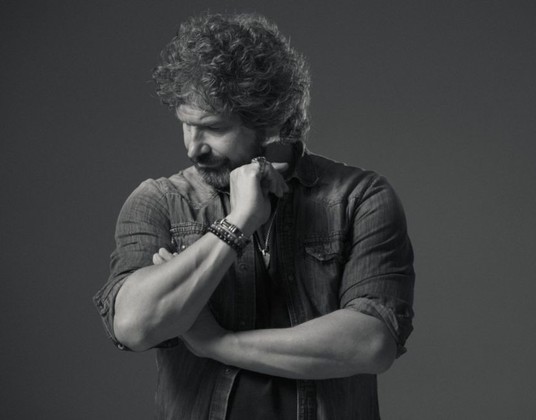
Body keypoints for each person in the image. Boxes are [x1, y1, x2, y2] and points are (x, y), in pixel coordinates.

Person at [94, 12, 414, 420]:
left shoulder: (359, 198)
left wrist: (216, 343)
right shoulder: (160, 201)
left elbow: (371, 344)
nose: (193, 148)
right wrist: (237, 223)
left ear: (270, 122)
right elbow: (135, 326)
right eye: (186, 125)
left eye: (212, 128)